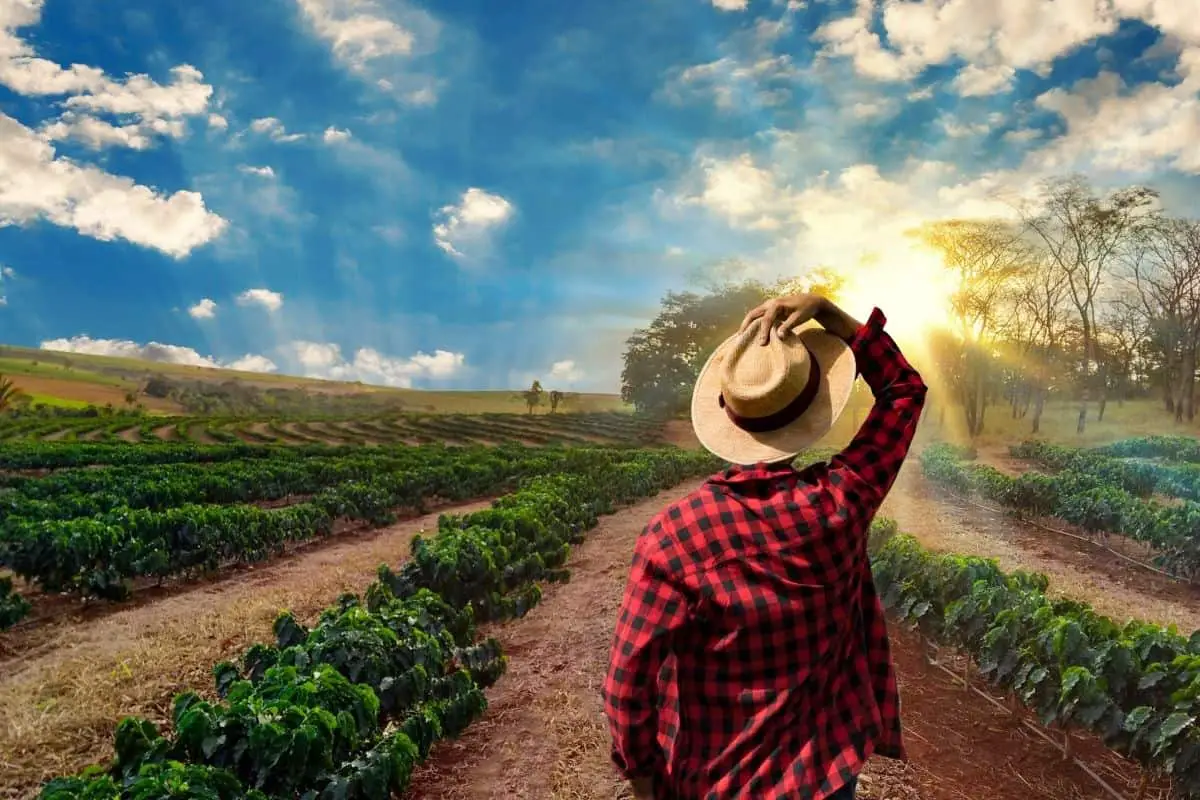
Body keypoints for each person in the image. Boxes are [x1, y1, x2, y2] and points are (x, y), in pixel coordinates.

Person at [601, 292, 927, 800]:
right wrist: (830, 313)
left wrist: (645, 782)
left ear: (727, 415)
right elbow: (904, 390)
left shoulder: (673, 538)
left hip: (719, 783)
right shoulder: (841, 504)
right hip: (824, 775)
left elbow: (627, 685)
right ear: (815, 409)